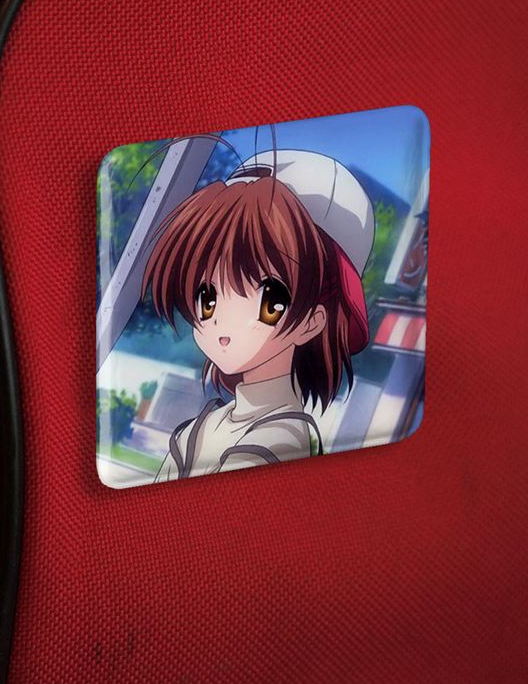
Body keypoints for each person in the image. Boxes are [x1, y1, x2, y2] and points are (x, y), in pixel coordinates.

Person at [140, 148, 374, 481]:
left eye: (270, 302)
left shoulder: (280, 439)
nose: (221, 325)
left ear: (312, 322)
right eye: (208, 299)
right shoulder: (199, 429)